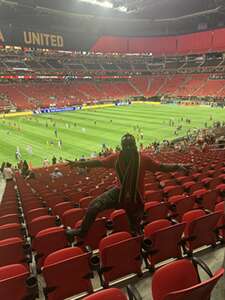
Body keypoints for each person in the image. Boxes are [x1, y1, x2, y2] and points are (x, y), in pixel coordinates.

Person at [67, 133, 189, 238]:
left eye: (131, 145)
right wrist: (79, 163)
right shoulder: (116, 158)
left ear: (135, 145)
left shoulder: (143, 159)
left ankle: (137, 246)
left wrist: (177, 166)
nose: (129, 148)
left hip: (136, 198)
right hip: (119, 193)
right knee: (94, 206)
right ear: (122, 147)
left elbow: (161, 167)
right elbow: (98, 162)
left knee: (135, 228)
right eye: (126, 145)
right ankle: (82, 231)